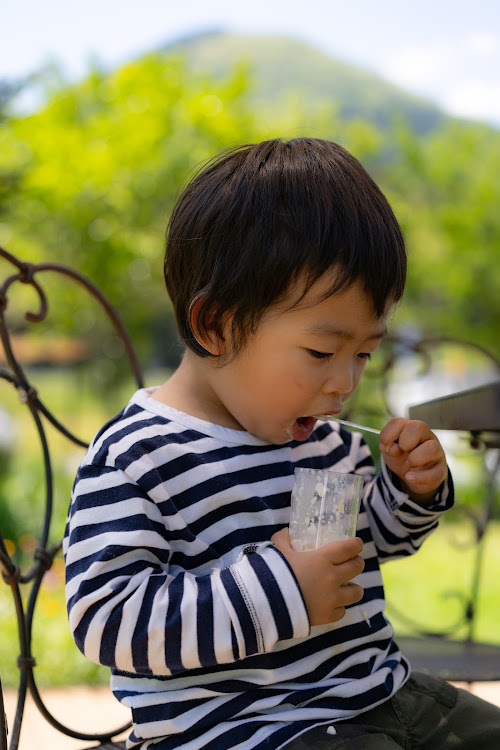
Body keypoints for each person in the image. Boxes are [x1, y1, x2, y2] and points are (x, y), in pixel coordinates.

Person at [64, 138, 500, 749]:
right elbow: (107, 622)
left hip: (380, 695)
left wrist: (408, 490)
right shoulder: (140, 456)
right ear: (215, 324)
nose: (344, 383)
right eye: (322, 352)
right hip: (247, 729)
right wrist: (283, 590)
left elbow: (371, 543)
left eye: (364, 355)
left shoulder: (323, 441)